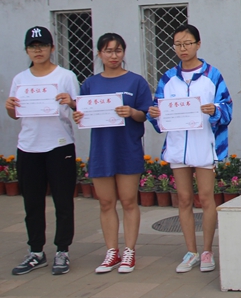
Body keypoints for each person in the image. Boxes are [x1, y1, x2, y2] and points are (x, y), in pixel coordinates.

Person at [147, 24, 233, 274]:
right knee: (183, 199)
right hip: (178, 147)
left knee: (206, 198)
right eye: (178, 44)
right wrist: (154, 114)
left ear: (198, 44)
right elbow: (157, 110)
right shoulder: (168, 78)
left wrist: (215, 110)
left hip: (204, 145)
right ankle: (191, 252)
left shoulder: (212, 75)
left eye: (187, 43)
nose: (183, 49)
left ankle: (207, 251)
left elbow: (227, 108)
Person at [72, 33, 152, 274]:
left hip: (127, 148)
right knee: (106, 202)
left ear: (123, 52)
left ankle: (129, 251)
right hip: (101, 150)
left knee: (128, 201)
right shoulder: (90, 84)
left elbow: (145, 114)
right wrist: (78, 115)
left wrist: (132, 112)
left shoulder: (136, 82)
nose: (113, 55)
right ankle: (111, 251)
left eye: (118, 50)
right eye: (108, 51)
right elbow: (84, 113)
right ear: (99, 54)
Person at [6, 26, 79, 276]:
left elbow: (79, 109)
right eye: (33, 46)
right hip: (29, 146)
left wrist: (71, 102)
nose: (38, 50)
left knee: (63, 201)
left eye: (43, 45)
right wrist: (9, 107)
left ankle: (62, 250)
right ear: (27, 50)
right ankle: (36, 251)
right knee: (32, 202)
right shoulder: (20, 79)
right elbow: (15, 114)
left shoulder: (66, 76)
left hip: (59, 145)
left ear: (52, 48)